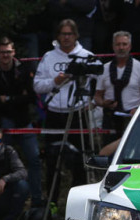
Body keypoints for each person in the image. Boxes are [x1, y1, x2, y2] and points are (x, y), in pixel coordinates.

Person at [33, 19, 94, 207]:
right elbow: (37, 85)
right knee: (52, 162)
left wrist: (90, 103)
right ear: (57, 36)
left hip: (78, 114)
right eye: (63, 34)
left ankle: (78, 207)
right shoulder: (48, 57)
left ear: (76, 35)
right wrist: (55, 81)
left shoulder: (87, 56)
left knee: (80, 163)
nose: (66, 38)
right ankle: (51, 208)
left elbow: (98, 86)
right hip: (54, 114)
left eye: (69, 34)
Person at [0, 37, 43, 207]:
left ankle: (37, 201)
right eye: (2, 52)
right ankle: (1, 204)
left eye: (8, 52)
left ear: (14, 52)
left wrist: (9, 99)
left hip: (24, 122)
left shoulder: (24, 70)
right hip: (2, 124)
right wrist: (19, 97)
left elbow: (31, 97)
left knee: (34, 159)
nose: (5, 55)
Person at [94, 31, 140, 144]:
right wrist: (104, 103)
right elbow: (97, 96)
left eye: (124, 44)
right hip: (110, 117)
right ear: (113, 46)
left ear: (130, 46)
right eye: (118, 44)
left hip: (132, 116)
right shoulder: (104, 68)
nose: (121, 48)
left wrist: (138, 109)